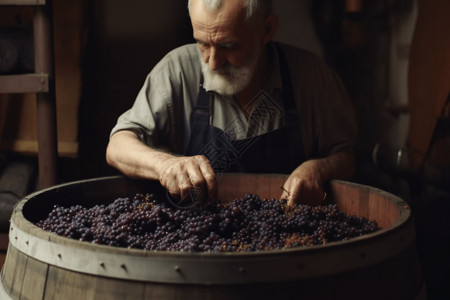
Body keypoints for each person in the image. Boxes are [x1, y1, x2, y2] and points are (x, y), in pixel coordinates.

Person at [106, 0, 356, 206]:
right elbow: (118, 146)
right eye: (202, 43)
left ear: (267, 30)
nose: (212, 62)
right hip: (197, 245)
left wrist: (319, 168)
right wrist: (165, 164)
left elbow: (347, 156)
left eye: (228, 46)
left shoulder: (310, 76)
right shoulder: (177, 70)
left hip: (288, 245)